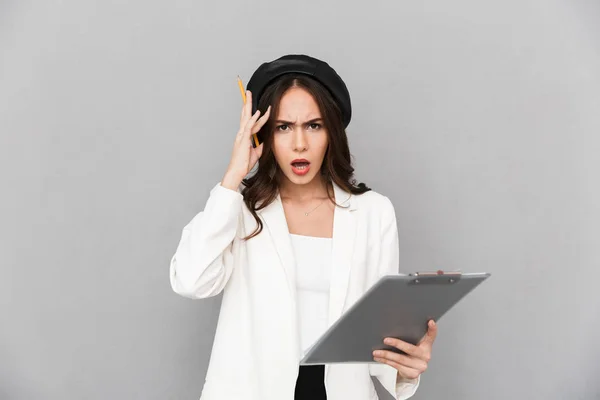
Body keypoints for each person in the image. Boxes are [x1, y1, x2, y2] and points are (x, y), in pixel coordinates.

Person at [169, 54, 437, 400]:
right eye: (283, 127)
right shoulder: (239, 209)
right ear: (261, 135)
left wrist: (407, 364)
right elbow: (191, 280)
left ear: (332, 132)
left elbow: (376, 338)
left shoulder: (373, 212)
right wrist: (233, 178)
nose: (300, 144)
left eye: (314, 125)